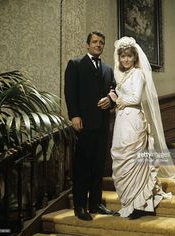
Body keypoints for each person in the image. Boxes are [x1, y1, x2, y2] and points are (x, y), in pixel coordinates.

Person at [111, 36, 175, 220]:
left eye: (128, 56)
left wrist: (116, 99)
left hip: (133, 119)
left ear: (135, 57)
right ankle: (128, 202)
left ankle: (140, 205)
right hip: (121, 120)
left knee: (134, 160)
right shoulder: (123, 75)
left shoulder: (138, 74)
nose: (125, 59)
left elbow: (134, 99)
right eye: (122, 57)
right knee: (122, 158)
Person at [64, 31, 116, 221]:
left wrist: (110, 100)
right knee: (83, 166)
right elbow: (70, 92)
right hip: (84, 123)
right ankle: (80, 206)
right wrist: (74, 116)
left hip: (102, 124)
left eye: (101, 42)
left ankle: (96, 204)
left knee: (98, 166)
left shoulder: (108, 69)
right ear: (88, 45)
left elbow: (114, 89)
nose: (98, 45)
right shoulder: (75, 64)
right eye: (95, 42)